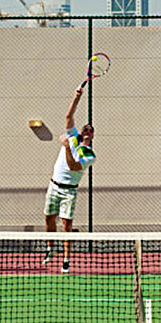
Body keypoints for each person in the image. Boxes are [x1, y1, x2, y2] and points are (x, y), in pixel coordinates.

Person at [43, 83, 96, 273]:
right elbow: (68, 116)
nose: (86, 130)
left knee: (66, 225)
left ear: (92, 136)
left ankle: (66, 259)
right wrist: (77, 97)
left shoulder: (89, 155)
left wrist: (65, 147)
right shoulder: (73, 136)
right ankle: (50, 248)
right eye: (85, 128)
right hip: (53, 185)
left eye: (90, 130)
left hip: (69, 191)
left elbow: (74, 166)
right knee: (49, 218)